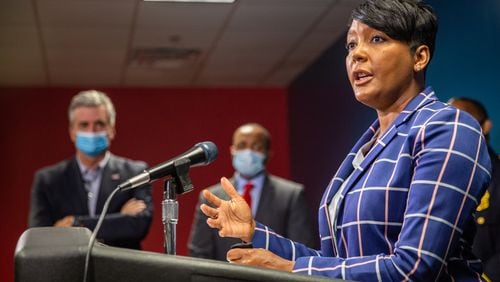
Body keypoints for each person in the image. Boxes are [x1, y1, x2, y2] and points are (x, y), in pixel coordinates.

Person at [198, 0, 492, 280]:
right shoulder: (369, 145)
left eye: (376, 39)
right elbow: (335, 264)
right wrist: (255, 233)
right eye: (351, 44)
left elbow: (414, 267)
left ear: (419, 57)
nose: (357, 54)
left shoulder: (447, 127)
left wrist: (289, 270)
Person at [28, 90, 153, 250]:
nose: (92, 131)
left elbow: (138, 226)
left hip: (121, 270)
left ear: (112, 130)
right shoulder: (47, 180)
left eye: (99, 124)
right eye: (84, 125)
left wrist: (75, 223)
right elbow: (40, 236)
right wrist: (119, 218)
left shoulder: (136, 172)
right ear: (72, 132)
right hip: (68, 271)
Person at [188, 123, 316, 261]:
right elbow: (199, 255)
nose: (248, 152)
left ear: (268, 154)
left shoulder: (291, 195)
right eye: (242, 146)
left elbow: (302, 253)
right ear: (232, 150)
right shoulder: (211, 197)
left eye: (257, 147)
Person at [448, 97, 500, 282]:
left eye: (465, 122)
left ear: (486, 126)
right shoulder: (432, 177)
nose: (456, 132)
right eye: (450, 125)